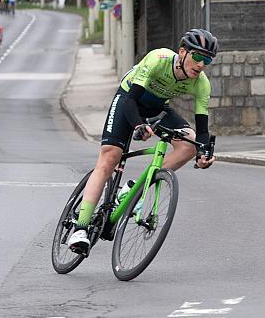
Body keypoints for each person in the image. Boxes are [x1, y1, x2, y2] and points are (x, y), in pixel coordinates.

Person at [67, 29, 219, 253]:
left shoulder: (201, 84)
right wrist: (138, 125)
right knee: (110, 157)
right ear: (182, 52)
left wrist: (203, 153)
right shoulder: (158, 59)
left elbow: (203, 129)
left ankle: (134, 188)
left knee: (189, 144)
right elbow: (130, 100)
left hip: (156, 107)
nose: (201, 64)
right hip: (129, 99)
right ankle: (80, 228)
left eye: (207, 60)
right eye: (197, 57)